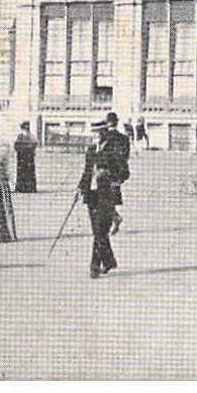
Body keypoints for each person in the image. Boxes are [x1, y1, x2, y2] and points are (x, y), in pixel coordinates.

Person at [78, 117, 126, 278]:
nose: (95, 137)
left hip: (107, 194)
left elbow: (125, 171)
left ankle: (94, 266)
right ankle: (109, 261)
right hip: (91, 194)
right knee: (98, 231)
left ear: (105, 133)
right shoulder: (91, 150)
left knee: (100, 229)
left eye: (98, 134)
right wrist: (81, 187)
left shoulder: (114, 148)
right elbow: (87, 171)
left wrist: (110, 175)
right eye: (93, 134)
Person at [96, 112, 131, 235]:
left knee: (103, 198)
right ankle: (114, 218)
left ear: (108, 122)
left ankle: (113, 219)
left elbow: (102, 156)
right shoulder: (124, 138)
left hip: (106, 172)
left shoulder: (104, 137)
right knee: (108, 198)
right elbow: (126, 156)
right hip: (119, 172)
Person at [13, 122, 38, 193]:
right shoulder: (29, 136)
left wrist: (22, 149)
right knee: (26, 172)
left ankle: (25, 188)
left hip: (25, 156)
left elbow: (16, 146)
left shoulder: (24, 136)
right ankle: (26, 188)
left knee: (25, 172)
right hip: (26, 157)